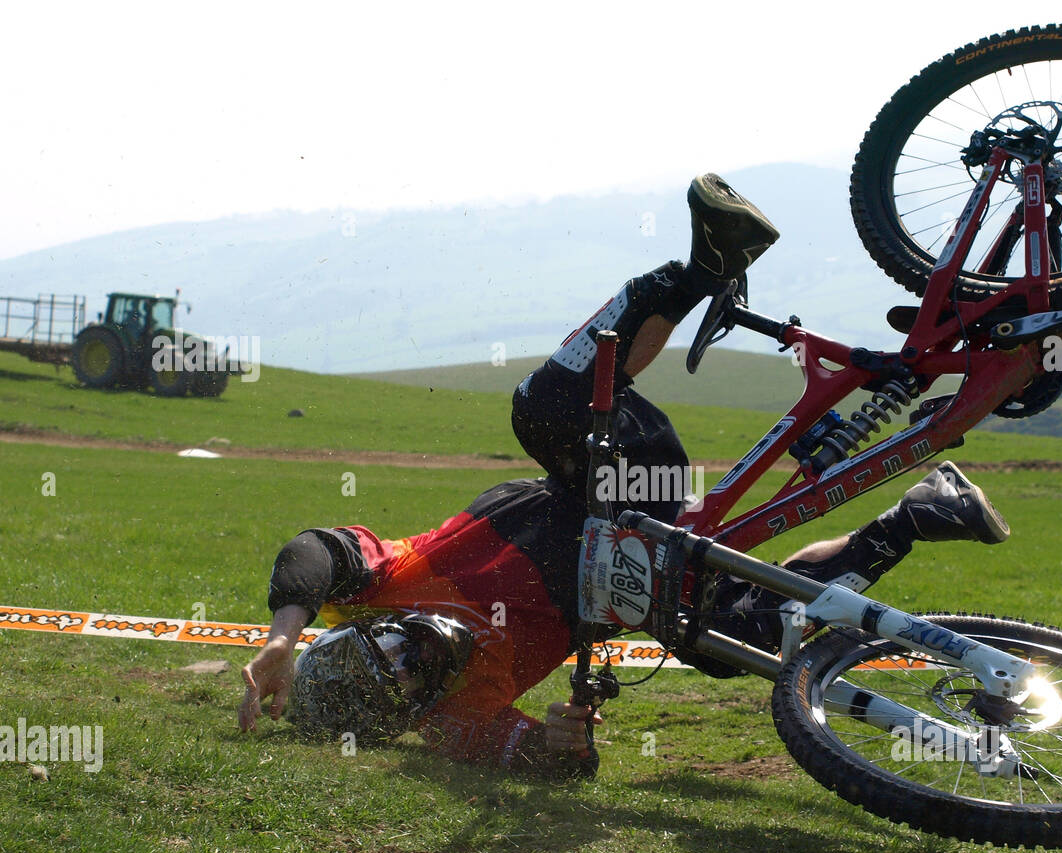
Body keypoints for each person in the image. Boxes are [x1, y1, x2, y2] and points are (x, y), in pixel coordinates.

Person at [237, 174, 1011, 778]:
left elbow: (312, 549)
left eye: (387, 650)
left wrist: (281, 639)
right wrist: (565, 743)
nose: (411, 658)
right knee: (744, 636)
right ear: (406, 713)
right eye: (402, 682)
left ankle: (703, 264)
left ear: (367, 626)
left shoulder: (384, 581)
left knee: (542, 410)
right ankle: (917, 512)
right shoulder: (455, 721)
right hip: (636, 585)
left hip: (601, 487)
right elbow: (551, 764)